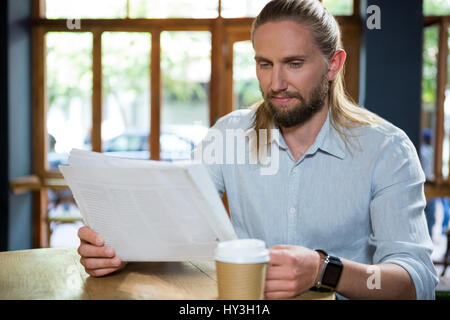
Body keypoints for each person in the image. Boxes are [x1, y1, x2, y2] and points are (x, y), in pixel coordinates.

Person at [77, 0, 438, 299]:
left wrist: (324, 270)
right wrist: (121, 250)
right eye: (265, 64)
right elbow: (170, 222)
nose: (276, 83)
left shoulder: (387, 150)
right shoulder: (228, 135)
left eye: (294, 64)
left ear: (333, 65)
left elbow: (416, 280)